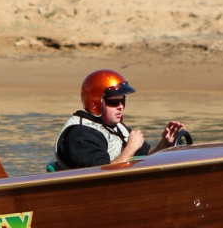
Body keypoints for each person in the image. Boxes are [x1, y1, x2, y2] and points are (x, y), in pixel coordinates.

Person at [51, 69, 186, 170]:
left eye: (122, 101)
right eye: (114, 102)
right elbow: (101, 174)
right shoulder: (80, 134)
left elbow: (146, 157)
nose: (120, 106)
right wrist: (131, 148)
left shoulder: (117, 127)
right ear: (95, 103)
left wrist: (165, 144)